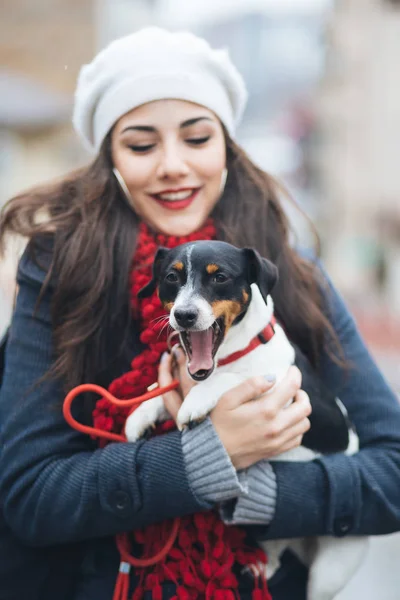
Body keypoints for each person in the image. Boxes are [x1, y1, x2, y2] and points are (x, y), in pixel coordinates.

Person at [0, 27, 399, 600]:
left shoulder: (289, 273)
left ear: (226, 149)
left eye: (197, 137)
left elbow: (393, 471)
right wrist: (201, 459)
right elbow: (30, 496)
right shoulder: (61, 275)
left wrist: (259, 487)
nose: (172, 165)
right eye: (140, 145)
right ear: (110, 158)